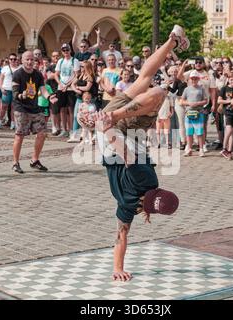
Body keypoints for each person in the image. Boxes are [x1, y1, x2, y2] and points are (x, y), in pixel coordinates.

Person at [78, 25, 187, 282]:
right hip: (115, 133)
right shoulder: (131, 205)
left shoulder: (145, 185)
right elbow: (121, 235)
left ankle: (173, 40)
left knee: (154, 89)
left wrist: (106, 123)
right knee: (148, 85)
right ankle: (173, 40)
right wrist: (117, 268)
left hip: (120, 131)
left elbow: (125, 152)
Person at [11, 50, 58, 174]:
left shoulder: (37, 74)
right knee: (20, 135)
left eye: (32, 59)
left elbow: (43, 90)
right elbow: (15, 94)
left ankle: (34, 160)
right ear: (22, 60)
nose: (30, 61)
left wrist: (50, 97)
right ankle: (15, 163)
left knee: (42, 133)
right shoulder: (17, 74)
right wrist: (23, 95)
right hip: (21, 108)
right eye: (27, 59)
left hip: (35, 108)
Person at [180, 71, 208, 157]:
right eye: (192, 79)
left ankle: (201, 149)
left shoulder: (201, 88)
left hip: (199, 113)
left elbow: (206, 100)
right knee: (189, 132)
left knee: (199, 132)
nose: (194, 80)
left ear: (198, 79)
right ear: (190, 79)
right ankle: (189, 149)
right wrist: (188, 103)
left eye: (195, 78)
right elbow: (181, 101)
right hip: (189, 113)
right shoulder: (186, 89)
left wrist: (198, 103)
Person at [55, 43, 81, 138]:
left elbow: (76, 75)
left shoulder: (75, 61)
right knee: (62, 109)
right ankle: (64, 129)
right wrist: (60, 84)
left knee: (71, 109)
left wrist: (67, 85)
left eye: (67, 50)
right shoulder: (60, 61)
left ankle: (71, 129)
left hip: (70, 89)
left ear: (70, 50)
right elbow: (56, 74)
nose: (66, 52)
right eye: (64, 50)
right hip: (61, 88)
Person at [69, 60, 95, 142]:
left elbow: (87, 88)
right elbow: (72, 84)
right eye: (81, 66)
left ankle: (88, 136)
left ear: (87, 67)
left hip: (88, 99)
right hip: (80, 98)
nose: (81, 68)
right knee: (76, 116)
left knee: (88, 117)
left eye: (83, 66)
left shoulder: (90, 76)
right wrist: (76, 90)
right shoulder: (80, 75)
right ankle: (75, 134)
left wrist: (78, 88)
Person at [0, 53, 19, 130]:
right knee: (3, 107)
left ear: (17, 60)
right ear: (9, 60)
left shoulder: (19, 68)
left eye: (14, 59)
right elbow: (1, 79)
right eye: (11, 59)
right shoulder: (5, 68)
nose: (13, 60)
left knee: (13, 108)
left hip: (15, 90)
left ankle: (13, 123)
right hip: (6, 89)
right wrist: (1, 88)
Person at [156, 84, 174, 149]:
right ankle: (158, 143)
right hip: (159, 116)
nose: (164, 91)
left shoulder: (169, 98)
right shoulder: (158, 98)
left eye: (165, 89)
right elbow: (156, 107)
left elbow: (171, 106)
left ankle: (167, 142)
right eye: (163, 89)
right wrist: (157, 116)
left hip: (166, 116)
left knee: (166, 130)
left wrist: (172, 112)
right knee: (158, 130)